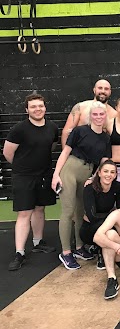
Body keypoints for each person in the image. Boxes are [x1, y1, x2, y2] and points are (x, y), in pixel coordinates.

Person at [52, 101, 112, 270]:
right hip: (70, 170)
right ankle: (66, 252)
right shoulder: (80, 131)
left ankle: (79, 247)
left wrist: (94, 177)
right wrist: (56, 174)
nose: (98, 117)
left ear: (105, 116)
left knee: (81, 211)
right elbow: (65, 152)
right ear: (90, 116)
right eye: (95, 114)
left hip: (87, 173)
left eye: (101, 114)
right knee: (68, 210)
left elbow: (103, 161)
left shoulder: (106, 137)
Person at [4, 94, 58, 271]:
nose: (37, 109)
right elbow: (8, 153)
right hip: (23, 177)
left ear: (45, 108)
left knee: (40, 209)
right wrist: (23, 167)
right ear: (27, 110)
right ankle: (19, 253)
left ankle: (38, 242)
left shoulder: (52, 127)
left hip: (43, 175)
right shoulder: (19, 129)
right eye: (33, 107)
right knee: (24, 213)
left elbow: (51, 147)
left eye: (40, 106)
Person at [80, 160, 120, 270]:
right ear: (99, 173)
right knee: (108, 228)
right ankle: (101, 253)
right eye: (106, 171)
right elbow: (92, 216)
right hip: (90, 229)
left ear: (115, 175)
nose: (109, 175)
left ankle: (111, 252)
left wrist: (115, 217)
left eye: (112, 172)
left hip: (107, 224)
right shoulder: (90, 188)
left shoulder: (118, 186)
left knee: (117, 226)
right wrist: (112, 217)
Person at [61, 79, 117, 148]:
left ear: (110, 92)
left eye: (106, 89)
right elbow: (67, 132)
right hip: (79, 152)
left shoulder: (114, 114)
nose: (103, 91)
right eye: (100, 88)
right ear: (94, 90)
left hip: (100, 152)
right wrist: (66, 153)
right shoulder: (80, 107)